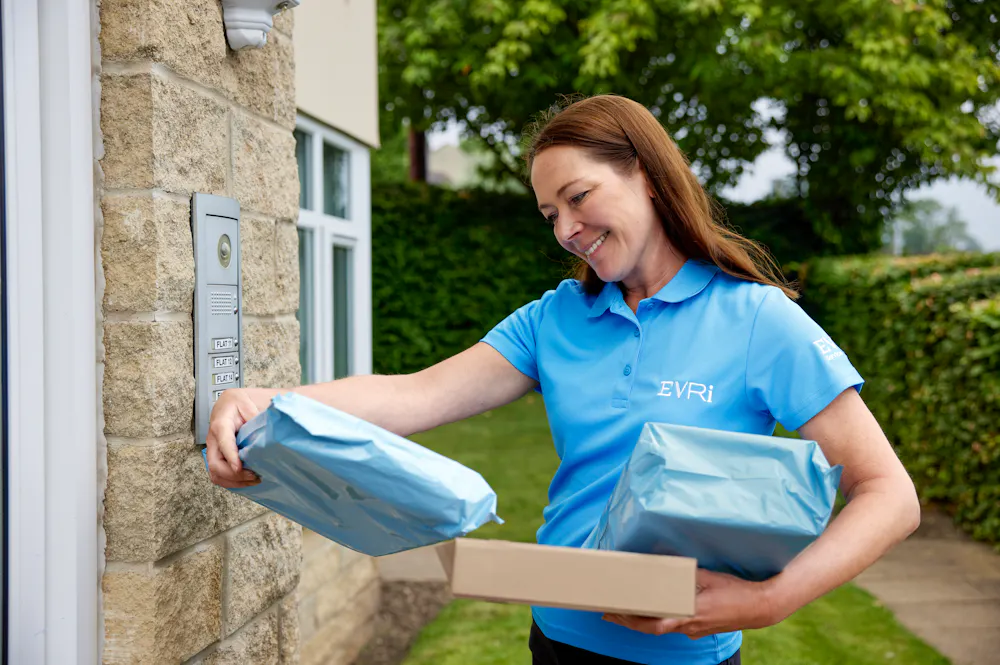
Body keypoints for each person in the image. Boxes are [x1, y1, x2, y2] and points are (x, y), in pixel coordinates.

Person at [205, 94, 921, 665]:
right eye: (551, 213)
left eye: (579, 198)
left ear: (646, 172)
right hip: (557, 637)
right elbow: (413, 393)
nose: (566, 228)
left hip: (682, 656)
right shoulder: (555, 320)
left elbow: (889, 494)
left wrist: (768, 601)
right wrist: (270, 402)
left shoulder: (758, 319)